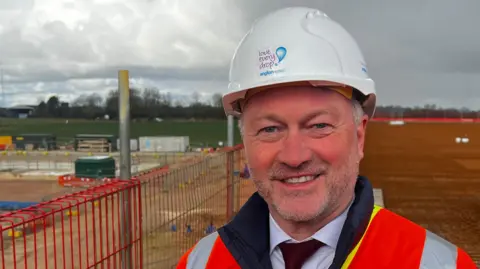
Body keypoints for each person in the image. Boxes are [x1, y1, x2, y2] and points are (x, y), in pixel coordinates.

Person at [176, 6, 477, 269]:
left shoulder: (433, 264)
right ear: (246, 144)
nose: (294, 156)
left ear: (360, 137)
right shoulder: (199, 263)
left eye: (318, 125)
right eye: (270, 129)